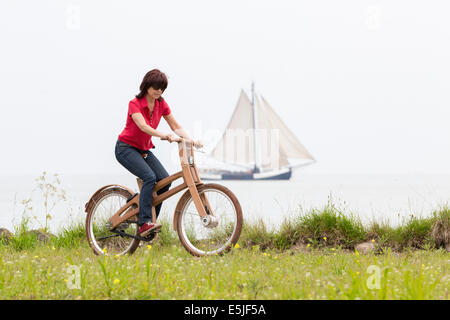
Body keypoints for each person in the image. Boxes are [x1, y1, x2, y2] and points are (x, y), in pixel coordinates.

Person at [115, 69, 202, 237]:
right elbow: (143, 126)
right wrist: (164, 135)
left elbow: (175, 126)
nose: (159, 91)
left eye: (162, 88)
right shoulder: (135, 103)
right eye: (156, 87)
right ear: (147, 85)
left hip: (143, 149)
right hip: (125, 148)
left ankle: (148, 220)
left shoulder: (161, 104)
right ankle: (144, 223)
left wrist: (191, 140)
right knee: (149, 177)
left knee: (164, 181)